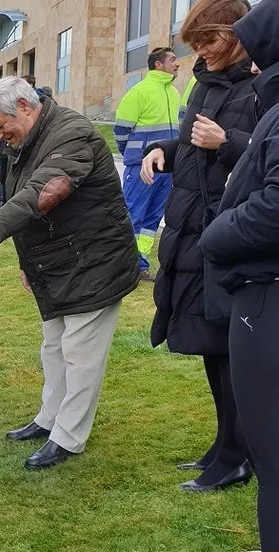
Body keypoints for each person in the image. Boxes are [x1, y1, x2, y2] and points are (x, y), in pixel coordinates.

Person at [0, 77, 139, 470]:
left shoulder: (73, 135)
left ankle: (68, 437)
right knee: (54, 347)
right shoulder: (21, 142)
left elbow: (40, 196)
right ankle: (49, 420)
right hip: (57, 265)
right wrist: (26, 264)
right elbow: (18, 202)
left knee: (81, 354)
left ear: (26, 107)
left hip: (94, 262)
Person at [142, 0, 256, 493]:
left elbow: (265, 149)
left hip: (228, 228)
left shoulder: (262, 83)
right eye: (197, 45)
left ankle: (238, 454)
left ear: (237, 34)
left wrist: (227, 141)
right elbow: (192, 139)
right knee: (211, 343)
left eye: (209, 42)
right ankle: (224, 444)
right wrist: (164, 150)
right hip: (194, 225)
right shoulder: (206, 83)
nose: (202, 53)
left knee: (230, 346)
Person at [200, 2, 279, 545]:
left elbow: (272, 203)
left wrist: (216, 234)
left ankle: (236, 455)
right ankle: (225, 447)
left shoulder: (264, 100)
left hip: (264, 291)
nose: (250, 66)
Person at [114, 47, 181, 280]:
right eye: (172, 60)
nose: (177, 63)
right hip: (142, 167)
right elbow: (121, 130)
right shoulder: (139, 91)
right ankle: (124, 266)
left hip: (166, 168)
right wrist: (134, 155)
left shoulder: (174, 93)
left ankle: (140, 265)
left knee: (152, 220)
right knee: (132, 215)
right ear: (158, 65)